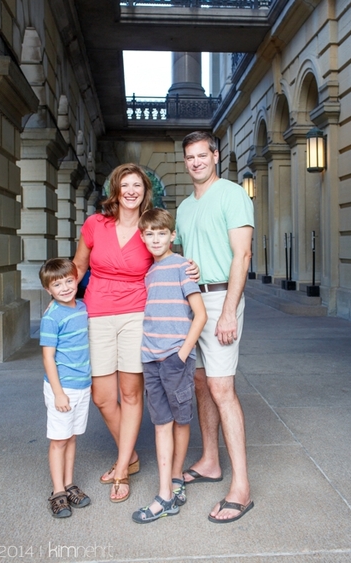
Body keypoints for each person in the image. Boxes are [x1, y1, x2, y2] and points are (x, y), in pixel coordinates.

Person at [73, 163, 198, 503]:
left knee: (130, 394)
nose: (131, 190)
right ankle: (130, 454)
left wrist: (191, 265)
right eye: (125, 184)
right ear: (115, 190)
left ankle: (122, 468)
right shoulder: (95, 224)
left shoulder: (147, 229)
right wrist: (62, 301)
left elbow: (167, 253)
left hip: (136, 315)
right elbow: (79, 266)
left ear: (145, 192)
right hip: (98, 312)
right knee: (102, 395)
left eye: (137, 186)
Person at [175, 131, 255, 523]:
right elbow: (187, 255)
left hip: (222, 298)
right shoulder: (185, 207)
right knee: (201, 383)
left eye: (201, 155)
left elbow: (242, 255)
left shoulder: (232, 194)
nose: (195, 162)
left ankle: (241, 487)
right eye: (189, 157)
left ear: (215, 155)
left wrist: (228, 310)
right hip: (193, 302)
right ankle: (209, 461)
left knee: (223, 388)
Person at [131, 209, 207, 523]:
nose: (155, 239)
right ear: (142, 236)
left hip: (175, 358)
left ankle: (173, 481)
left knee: (181, 419)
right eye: (149, 234)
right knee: (161, 422)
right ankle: (166, 492)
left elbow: (200, 315)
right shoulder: (149, 273)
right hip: (150, 358)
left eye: (161, 233)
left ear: (172, 236)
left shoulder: (182, 267)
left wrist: (181, 355)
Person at [39, 258, 92, 518]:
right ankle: (58, 492)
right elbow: (48, 357)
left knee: (71, 437)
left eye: (69, 281)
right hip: (63, 388)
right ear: (48, 290)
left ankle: (70, 484)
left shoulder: (82, 307)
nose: (65, 287)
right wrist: (59, 392)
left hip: (83, 385)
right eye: (57, 284)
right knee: (59, 440)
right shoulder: (52, 316)